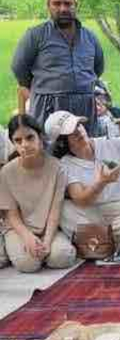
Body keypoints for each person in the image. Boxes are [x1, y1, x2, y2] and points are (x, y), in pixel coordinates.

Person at [46, 111, 120, 252]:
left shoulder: (110, 142)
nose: (78, 131)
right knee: (64, 210)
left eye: (79, 125)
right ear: (62, 142)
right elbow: (81, 199)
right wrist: (101, 182)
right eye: (70, 131)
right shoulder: (66, 164)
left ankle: (96, 244)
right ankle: (114, 245)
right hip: (97, 212)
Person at [11, 0, 104, 135]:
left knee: (85, 152)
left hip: (84, 107)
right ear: (48, 6)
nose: (63, 9)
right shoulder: (35, 35)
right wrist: (44, 89)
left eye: (68, 3)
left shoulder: (90, 37)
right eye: (57, 3)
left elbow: (97, 68)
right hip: (48, 107)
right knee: (49, 153)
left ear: (76, 4)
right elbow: (19, 68)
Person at [0, 115, 78, 273]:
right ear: (13, 143)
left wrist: (48, 241)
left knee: (61, 257)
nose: (25, 145)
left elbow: (55, 210)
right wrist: (28, 238)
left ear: (40, 137)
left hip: (49, 227)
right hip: (18, 229)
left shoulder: (57, 167)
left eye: (30, 137)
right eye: (18, 140)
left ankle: (43, 248)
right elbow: (11, 215)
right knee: (28, 264)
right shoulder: (7, 172)